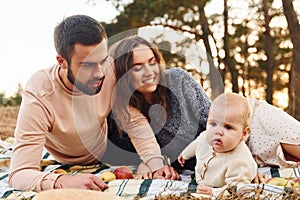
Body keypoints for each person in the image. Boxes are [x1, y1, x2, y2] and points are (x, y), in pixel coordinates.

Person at [8, 15, 115, 191]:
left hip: (111, 141)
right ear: (62, 62)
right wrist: (62, 182)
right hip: (70, 158)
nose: (100, 73)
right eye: (87, 65)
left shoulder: (110, 69)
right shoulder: (40, 92)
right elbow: (19, 174)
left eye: (103, 60)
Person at [107, 35, 211, 179]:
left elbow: (213, 119)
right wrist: (156, 166)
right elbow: (146, 143)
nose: (149, 72)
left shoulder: (178, 80)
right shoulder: (125, 106)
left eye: (152, 62)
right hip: (193, 167)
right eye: (137, 68)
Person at [178, 93, 257, 197]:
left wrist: (214, 192)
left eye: (228, 127)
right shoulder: (206, 137)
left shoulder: (240, 161)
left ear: (243, 133)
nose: (218, 131)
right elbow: (196, 144)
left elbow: (238, 189)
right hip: (203, 181)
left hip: (221, 187)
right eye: (213, 124)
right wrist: (185, 155)